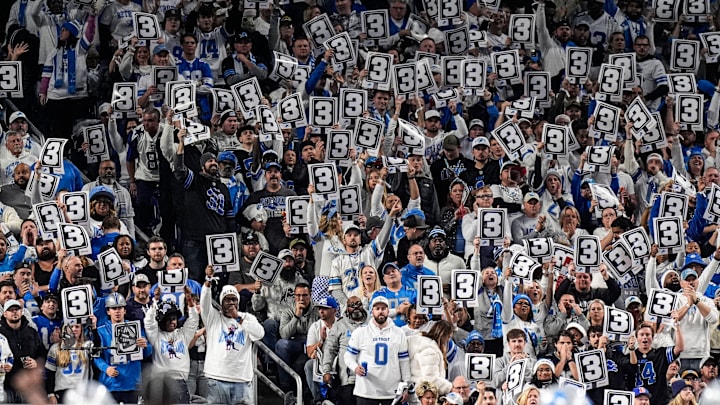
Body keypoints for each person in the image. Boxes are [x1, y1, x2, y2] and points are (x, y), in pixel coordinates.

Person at [201, 266, 264, 404]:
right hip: (216, 378)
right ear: (221, 302)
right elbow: (204, 302)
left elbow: (259, 334)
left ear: (238, 301)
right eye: (227, 300)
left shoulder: (247, 318)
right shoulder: (213, 318)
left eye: (234, 299)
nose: (231, 303)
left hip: (241, 379)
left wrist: (238, 318)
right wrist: (208, 281)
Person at [344, 296, 411, 404]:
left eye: (383, 308)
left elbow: (404, 361)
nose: (381, 311)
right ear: (372, 311)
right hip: (366, 391)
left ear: (388, 311)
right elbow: (348, 356)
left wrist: (406, 384)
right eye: (377, 308)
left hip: (391, 392)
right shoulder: (360, 332)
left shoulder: (399, 333)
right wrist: (355, 367)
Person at [94, 293, 153, 403]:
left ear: (124, 310)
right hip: (111, 383)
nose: (117, 311)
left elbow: (148, 353)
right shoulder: (100, 331)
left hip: (131, 382)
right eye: (113, 308)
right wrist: (106, 368)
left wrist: (145, 346)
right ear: (108, 311)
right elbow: (96, 356)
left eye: (120, 308)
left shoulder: (136, 328)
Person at [144, 287, 200, 404]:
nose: (172, 322)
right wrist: (155, 300)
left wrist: (189, 299)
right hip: (162, 383)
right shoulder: (156, 336)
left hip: (182, 382)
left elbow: (194, 319)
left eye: (174, 319)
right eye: (168, 319)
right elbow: (149, 322)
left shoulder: (183, 334)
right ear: (161, 321)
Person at [322, 295, 368, 405]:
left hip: (370, 378)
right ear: (347, 309)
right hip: (348, 379)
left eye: (358, 304)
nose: (356, 308)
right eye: (352, 306)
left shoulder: (371, 322)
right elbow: (330, 349)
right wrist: (326, 371)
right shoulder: (339, 325)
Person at [0, 299, 41, 403]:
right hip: (5, 385)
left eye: (17, 309)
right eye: (11, 310)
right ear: (5, 314)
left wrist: (36, 362)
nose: (14, 312)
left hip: (27, 386)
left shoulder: (32, 332)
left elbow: (42, 353)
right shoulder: (0, 334)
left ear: (22, 311)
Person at [45, 321, 95, 403]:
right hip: (62, 390)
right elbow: (50, 373)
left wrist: (94, 328)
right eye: (71, 326)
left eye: (77, 327)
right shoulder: (55, 348)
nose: (74, 329)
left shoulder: (87, 346)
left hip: (82, 390)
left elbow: (97, 347)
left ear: (81, 329)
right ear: (65, 329)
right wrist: (50, 394)